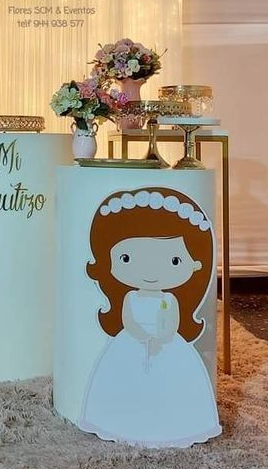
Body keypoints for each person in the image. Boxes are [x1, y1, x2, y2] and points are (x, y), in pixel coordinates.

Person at [80, 188, 222, 448]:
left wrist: (161, 339)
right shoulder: (130, 298)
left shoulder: (170, 300)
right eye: (127, 258)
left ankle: (172, 422)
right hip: (133, 340)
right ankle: (123, 419)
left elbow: (172, 324)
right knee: (124, 380)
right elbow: (129, 321)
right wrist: (140, 336)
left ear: (194, 264)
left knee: (172, 380)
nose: (150, 271)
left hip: (166, 343)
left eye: (174, 260)